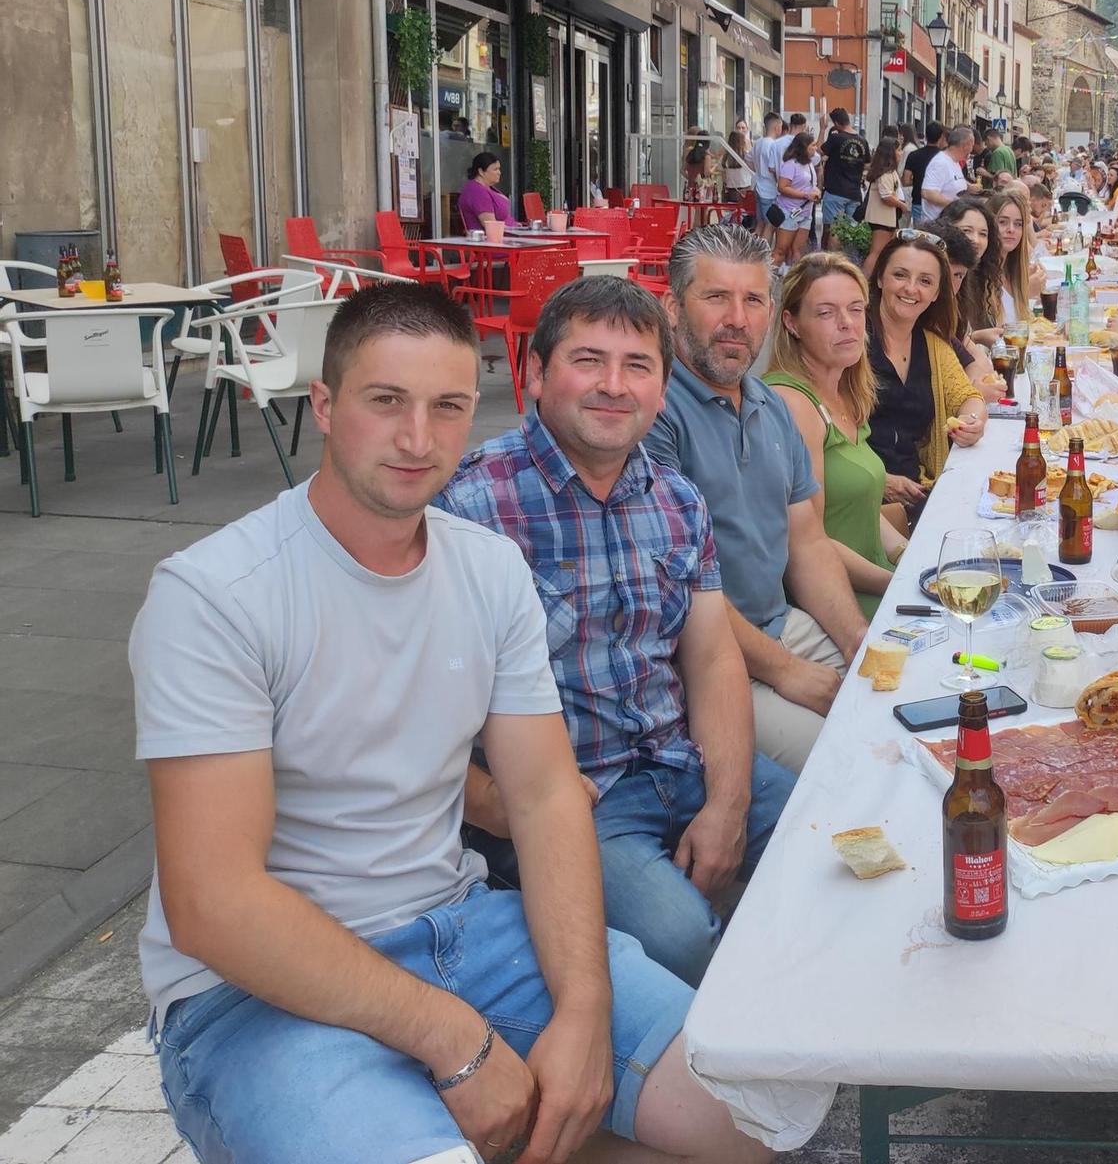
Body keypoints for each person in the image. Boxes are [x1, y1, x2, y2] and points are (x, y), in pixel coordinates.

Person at [133, 282, 767, 1164]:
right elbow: (213, 904)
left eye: (448, 407)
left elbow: (545, 797)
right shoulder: (215, 594)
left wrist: (584, 1014)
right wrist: (455, 1041)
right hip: (252, 991)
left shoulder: (486, 567)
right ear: (324, 405)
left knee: (746, 1124)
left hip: (461, 924)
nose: (418, 438)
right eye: (385, 401)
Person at [438, 278, 795, 988]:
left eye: (638, 366)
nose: (614, 385)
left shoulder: (674, 498)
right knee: (678, 935)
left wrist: (727, 803)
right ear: (536, 373)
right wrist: (496, 805)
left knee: (836, 848)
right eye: (588, 360)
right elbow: (422, 706)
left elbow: (714, 659)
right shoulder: (470, 507)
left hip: (677, 757)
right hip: (575, 798)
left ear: (662, 389)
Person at [643, 225, 869, 775]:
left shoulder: (769, 405)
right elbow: (679, 589)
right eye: (716, 297)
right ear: (673, 306)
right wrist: (788, 671)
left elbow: (806, 543)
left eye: (752, 300)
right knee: (849, 763)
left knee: (902, 705)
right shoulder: (653, 413)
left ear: (771, 311)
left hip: (781, 626)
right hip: (705, 663)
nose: (737, 320)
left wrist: (859, 640)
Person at [767, 255, 897, 619]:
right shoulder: (793, 404)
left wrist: (906, 555)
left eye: (856, 309)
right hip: (840, 602)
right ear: (792, 323)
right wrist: (898, 582)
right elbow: (810, 542)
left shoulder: (843, 393)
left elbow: (860, 505)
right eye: (826, 313)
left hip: (877, 576)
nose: (847, 324)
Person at [865, 230, 986, 522]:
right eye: (900, 275)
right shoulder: (853, 342)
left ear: (935, 295)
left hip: (918, 492)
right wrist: (880, 480)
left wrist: (973, 422)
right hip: (863, 500)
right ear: (880, 278)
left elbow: (967, 396)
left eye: (925, 281)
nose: (911, 288)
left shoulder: (932, 344)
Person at [937, 195, 1005, 339]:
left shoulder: (982, 277)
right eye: (967, 231)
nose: (976, 240)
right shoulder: (937, 279)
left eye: (983, 234)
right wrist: (976, 337)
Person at [988, 186, 1045, 324]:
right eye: (1003, 222)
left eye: (1018, 224)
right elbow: (995, 332)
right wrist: (1025, 294)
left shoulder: (1013, 270)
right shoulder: (981, 276)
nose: (1011, 230)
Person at [861, 135, 910, 273]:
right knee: (876, 251)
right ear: (891, 152)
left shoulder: (890, 172)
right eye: (899, 150)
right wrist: (901, 205)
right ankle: (866, 279)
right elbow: (886, 196)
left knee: (886, 251)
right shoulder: (885, 173)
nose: (901, 153)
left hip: (888, 217)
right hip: (881, 218)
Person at [773, 131, 820, 268]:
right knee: (781, 250)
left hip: (805, 212)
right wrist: (805, 195)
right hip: (790, 211)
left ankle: (794, 280)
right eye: (812, 145)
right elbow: (782, 187)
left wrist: (815, 192)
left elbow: (811, 183)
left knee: (798, 250)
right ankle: (767, 279)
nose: (815, 148)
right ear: (803, 147)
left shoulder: (809, 164)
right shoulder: (791, 164)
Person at [820, 108, 870, 232]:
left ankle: (834, 252)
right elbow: (867, 165)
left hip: (835, 192)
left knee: (835, 231)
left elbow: (819, 151)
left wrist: (822, 129)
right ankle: (849, 252)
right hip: (854, 193)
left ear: (836, 123)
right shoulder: (863, 141)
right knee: (852, 232)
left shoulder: (836, 138)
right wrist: (854, 164)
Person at [917, 125, 972, 224]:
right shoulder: (940, 162)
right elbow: (928, 193)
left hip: (950, 223)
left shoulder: (955, 162)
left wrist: (969, 187)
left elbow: (951, 181)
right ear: (965, 145)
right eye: (972, 144)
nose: (971, 150)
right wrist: (954, 205)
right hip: (936, 224)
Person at [458, 152, 517, 237]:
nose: (499, 172)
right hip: (494, 243)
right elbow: (490, 226)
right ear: (481, 171)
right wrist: (515, 230)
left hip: (508, 237)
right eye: (495, 169)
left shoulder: (486, 188)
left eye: (499, 169)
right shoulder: (477, 192)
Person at [750, 111, 788, 242]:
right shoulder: (773, 145)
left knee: (760, 223)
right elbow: (774, 169)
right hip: (769, 190)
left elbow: (748, 159)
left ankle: (752, 251)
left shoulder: (758, 143)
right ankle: (763, 254)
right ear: (777, 126)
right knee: (770, 224)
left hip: (758, 186)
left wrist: (758, 170)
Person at [724, 126, 755, 214]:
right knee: (744, 215)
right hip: (746, 190)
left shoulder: (726, 159)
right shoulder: (746, 156)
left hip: (731, 192)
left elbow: (724, 177)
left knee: (731, 215)